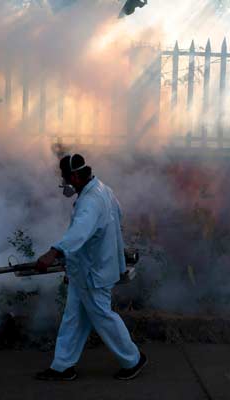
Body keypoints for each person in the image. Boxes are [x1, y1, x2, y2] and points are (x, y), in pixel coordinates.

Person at [35, 154, 147, 381]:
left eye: (66, 177)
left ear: (75, 176)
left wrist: (54, 251)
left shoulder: (90, 201)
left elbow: (79, 232)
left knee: (103, 317)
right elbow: (117, 215)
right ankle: (62, 367)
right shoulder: (103, 189)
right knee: (73, 317)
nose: (65, 183)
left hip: (93, 272)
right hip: (86, 269)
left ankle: (133, 359)